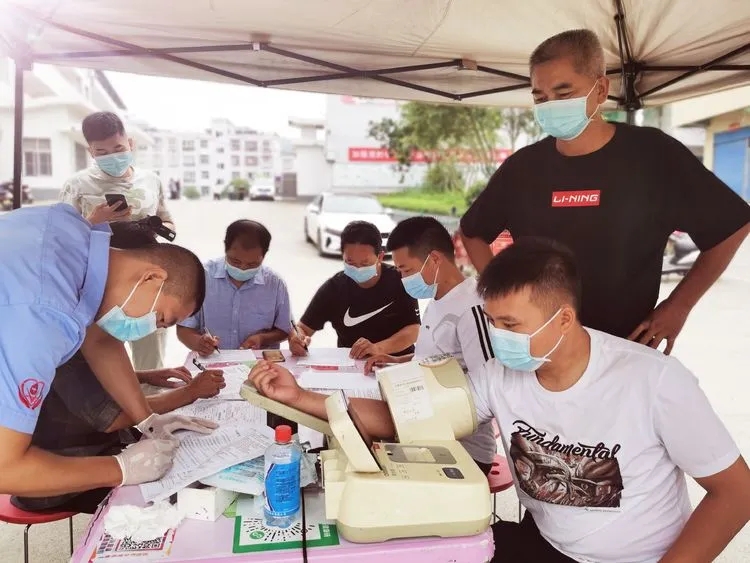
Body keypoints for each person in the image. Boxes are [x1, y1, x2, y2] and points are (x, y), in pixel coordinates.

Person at [250, 237, 750, 563]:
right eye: (492, 322)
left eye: (511, 324)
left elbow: (736, 494)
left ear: (564, 318)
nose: (498, 337)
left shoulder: (653, 381)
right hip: (545, 544)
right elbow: (405, 420)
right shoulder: (501, 374)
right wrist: (300, 395)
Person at [459, 29, 750, 354]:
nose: (550, 106)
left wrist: (679, 306)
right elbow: (473, 232)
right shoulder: (523, 168)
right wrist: (504, 295)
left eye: (564, 93)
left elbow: (731, 226)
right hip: (542, 347)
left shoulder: (653, 155)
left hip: (626, 347)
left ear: (600, 89)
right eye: (540, 98)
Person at [0, 203, 215, 496]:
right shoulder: (45, 317)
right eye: (161, 318)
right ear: (152, 278)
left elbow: (100, 341)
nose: (152, 328)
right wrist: (122, 469)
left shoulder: (71, 231)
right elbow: (6, 469)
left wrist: (147, 420)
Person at [363, 216, 496, 472]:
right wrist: (396, 361)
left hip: (463, 450)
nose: (403, 278)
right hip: (427, 425)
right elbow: (441, 359)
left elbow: (489, 387)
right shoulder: (438, 299)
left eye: (406, 270)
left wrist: (419, 418)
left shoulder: (472, 308)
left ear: (434, 259)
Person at [60, 111, 176, 371]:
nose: (112, 157)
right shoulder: (77, 186)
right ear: (90, 151)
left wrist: (152, 226)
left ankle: (149, 396)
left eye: (118, 148)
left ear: (130, 143)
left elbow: (169, 222)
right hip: (98, 288)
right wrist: (93, 220)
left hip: (147, 284)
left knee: (151, 363)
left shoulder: (151, 180)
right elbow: (61, 240)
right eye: (101, 152)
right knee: (102, 365)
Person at [291, 221, 420, 359]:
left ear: (380, 257)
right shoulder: (334, 288)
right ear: (342, 256)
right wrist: (297, 339)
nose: (358, 268)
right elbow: (303, 328)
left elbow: (413, 329)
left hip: (397, 363)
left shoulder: (400, 280)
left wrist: (378, 348)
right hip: (352, 364)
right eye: (350, 262)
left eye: (365, 263)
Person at [177, 220, 293, 354]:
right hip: (213, 360)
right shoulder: (201, 277)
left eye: (252, 264)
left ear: (264, 256)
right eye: (235, 261)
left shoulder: (275, 285)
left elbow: (284, 330)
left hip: (260, 363)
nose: (243, 269)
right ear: (225, 248)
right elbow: (184, 329)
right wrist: (199, 342)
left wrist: (262, 338)